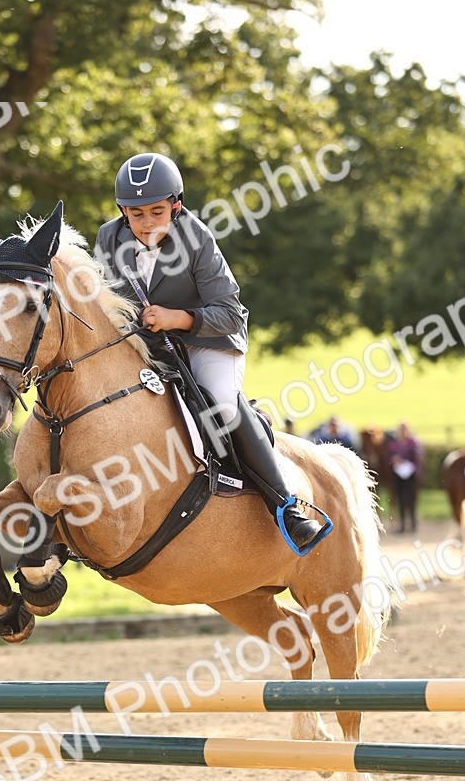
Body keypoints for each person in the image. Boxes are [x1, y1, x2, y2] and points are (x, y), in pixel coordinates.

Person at [94, 152, 322, 553]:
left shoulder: (196, 237)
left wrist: (177, 318)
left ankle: (286, 506)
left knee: (223, 406)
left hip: (208, 339)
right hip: (149, 345)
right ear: (122, 212)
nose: (147, 223)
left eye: (157, 212)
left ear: (175, 206)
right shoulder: (107, 239)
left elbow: (231, 313)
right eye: (136, 214)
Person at [389, 422, 423, 533]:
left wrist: (404, 460)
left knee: (411, 499)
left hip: (411, 474)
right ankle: (402, 524)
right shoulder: (394, 444)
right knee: (400, 499)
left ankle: (413, 523)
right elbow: (389, 456)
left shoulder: (413, 443)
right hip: (398, 474)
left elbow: (417, 457)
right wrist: (394, 460)